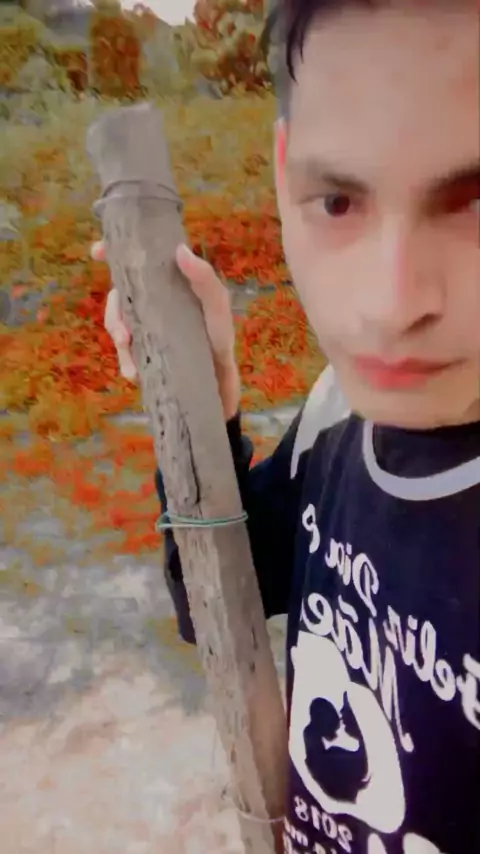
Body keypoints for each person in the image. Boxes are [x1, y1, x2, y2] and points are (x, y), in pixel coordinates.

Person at [94, 1, 480, 851]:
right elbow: (214, 602)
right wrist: (209, 408)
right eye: (337, 200)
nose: (389, 306)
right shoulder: (338, 413)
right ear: (283, 176)